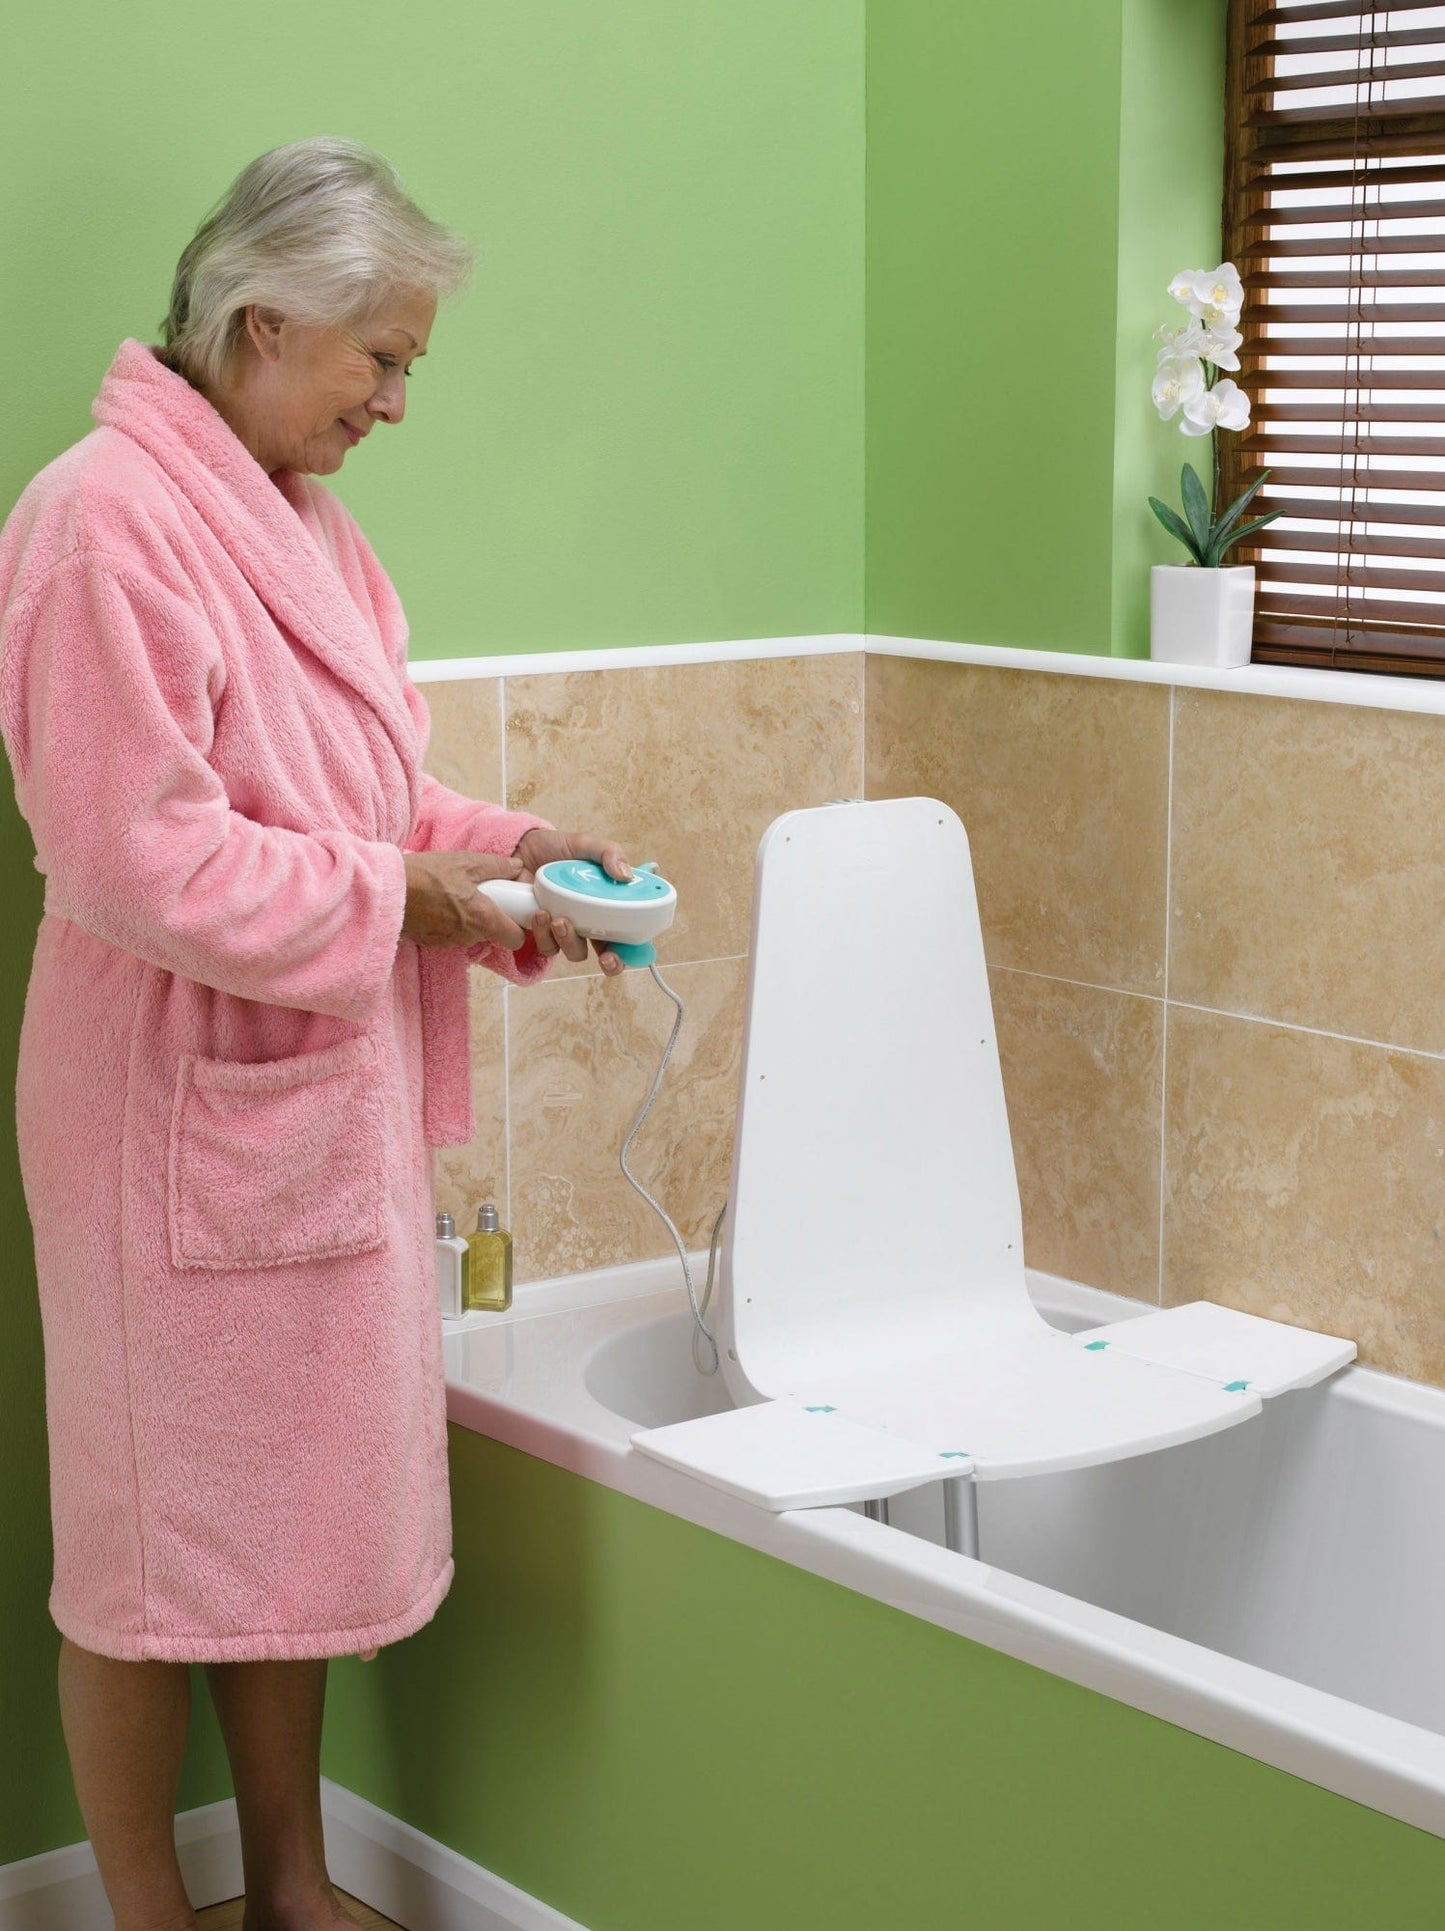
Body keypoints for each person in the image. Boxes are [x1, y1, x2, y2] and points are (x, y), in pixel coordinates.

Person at [0, 137, 630, 1931]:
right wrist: (418, 905)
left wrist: (511, 854)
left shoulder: (296, 520)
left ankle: (291, 1886)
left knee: (282, 1533)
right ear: (263, 325)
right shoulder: (97, 523)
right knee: (143, 1560)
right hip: (165, 1118)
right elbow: (141, 853)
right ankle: (142, 1912)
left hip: (293, 1100)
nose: (398, 404)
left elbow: (358, 792)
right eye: (384, 359)